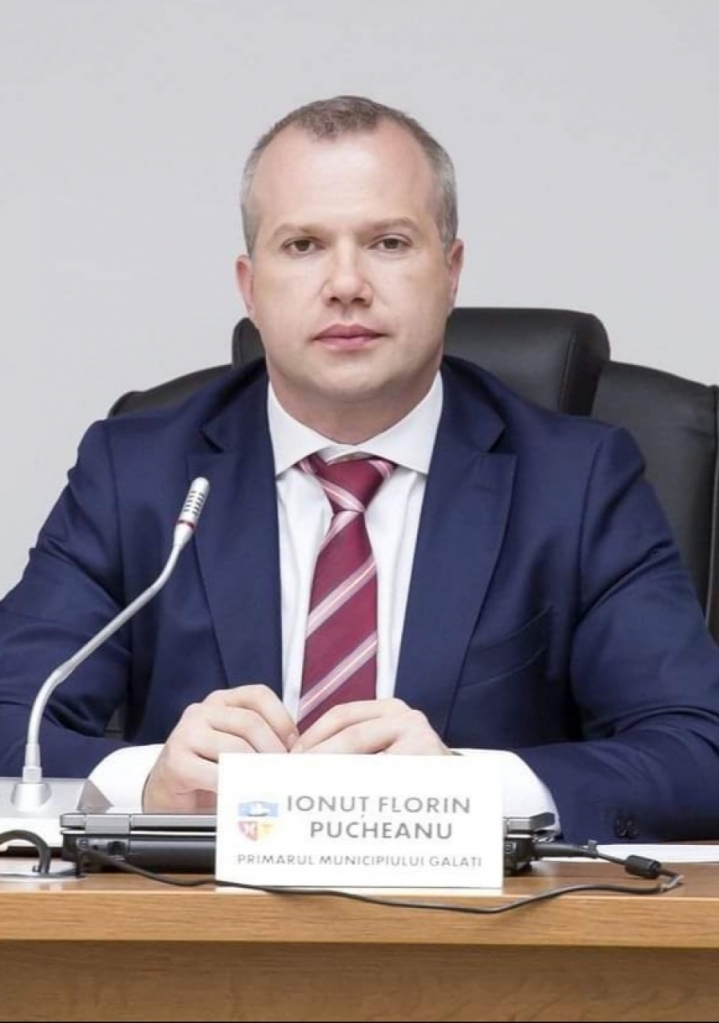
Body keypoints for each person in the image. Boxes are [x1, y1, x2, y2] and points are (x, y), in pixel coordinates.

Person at [1, 95, 719, 843]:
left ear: (451, 271)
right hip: (201, 914)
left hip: (478, 915)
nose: (346, 283)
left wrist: (470, 789)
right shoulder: (136, 474)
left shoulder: (576, 483)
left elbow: (700, 750)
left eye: (388, 242)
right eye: (303, 245)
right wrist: (145, 783)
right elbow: (10, 714)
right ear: (250, 286)